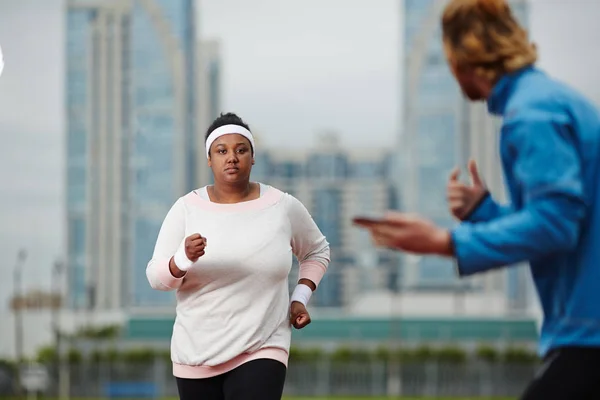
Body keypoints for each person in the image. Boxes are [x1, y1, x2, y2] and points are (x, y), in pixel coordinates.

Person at [354, 0, 600, 399]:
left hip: (589, 335)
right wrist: (484, 213)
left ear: (462, 57)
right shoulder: (550, 101)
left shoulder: (531, 114)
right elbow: (563, 219)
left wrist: (445, 241)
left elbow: (557, 225)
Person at [146, 112, 330, 400]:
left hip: (263, 346)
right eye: (221, 151)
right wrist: (181, 259)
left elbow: (317, 250)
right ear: (209, 159)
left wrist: (299, 299)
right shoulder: (186, 209)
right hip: (196, 354)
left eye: (241, 150)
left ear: (252, 157)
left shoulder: (282, 207)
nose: (231, 157)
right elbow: (157, 279)